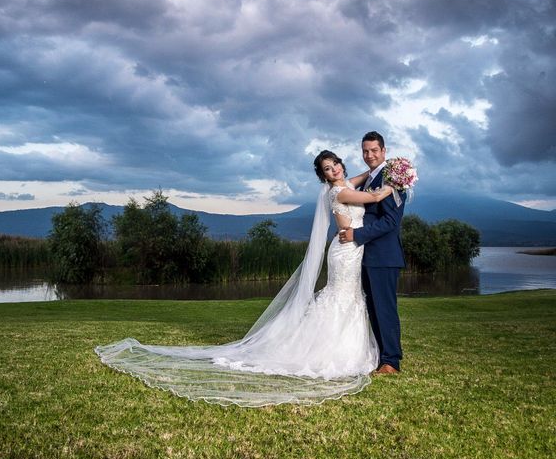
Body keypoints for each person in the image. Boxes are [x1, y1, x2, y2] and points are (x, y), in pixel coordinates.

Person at [95, 152, 394, 407]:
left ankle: (344, 347)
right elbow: (373, 195)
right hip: (345, 251)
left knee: (351, 298)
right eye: (327, 169)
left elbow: (365, 176)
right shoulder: (337, 192)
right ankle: (325, 352)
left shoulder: (345, 182)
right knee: (339, 298)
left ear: (341, 165)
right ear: (323, 176)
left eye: (335, 165)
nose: (334, 170)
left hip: (355, 250)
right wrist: (397, 181)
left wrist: (383, 167)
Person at [339, 131, 406, 374]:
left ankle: (392, 361)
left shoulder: (393, 182)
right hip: (367, 257)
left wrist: (356, 235)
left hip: (384, 256)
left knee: (385, 309)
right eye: (365, 151)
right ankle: (381, 358)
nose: (369, 155)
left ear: (384, 151)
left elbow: (391, 222)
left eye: (374, 150)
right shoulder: (370, 180)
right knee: (373, 309)